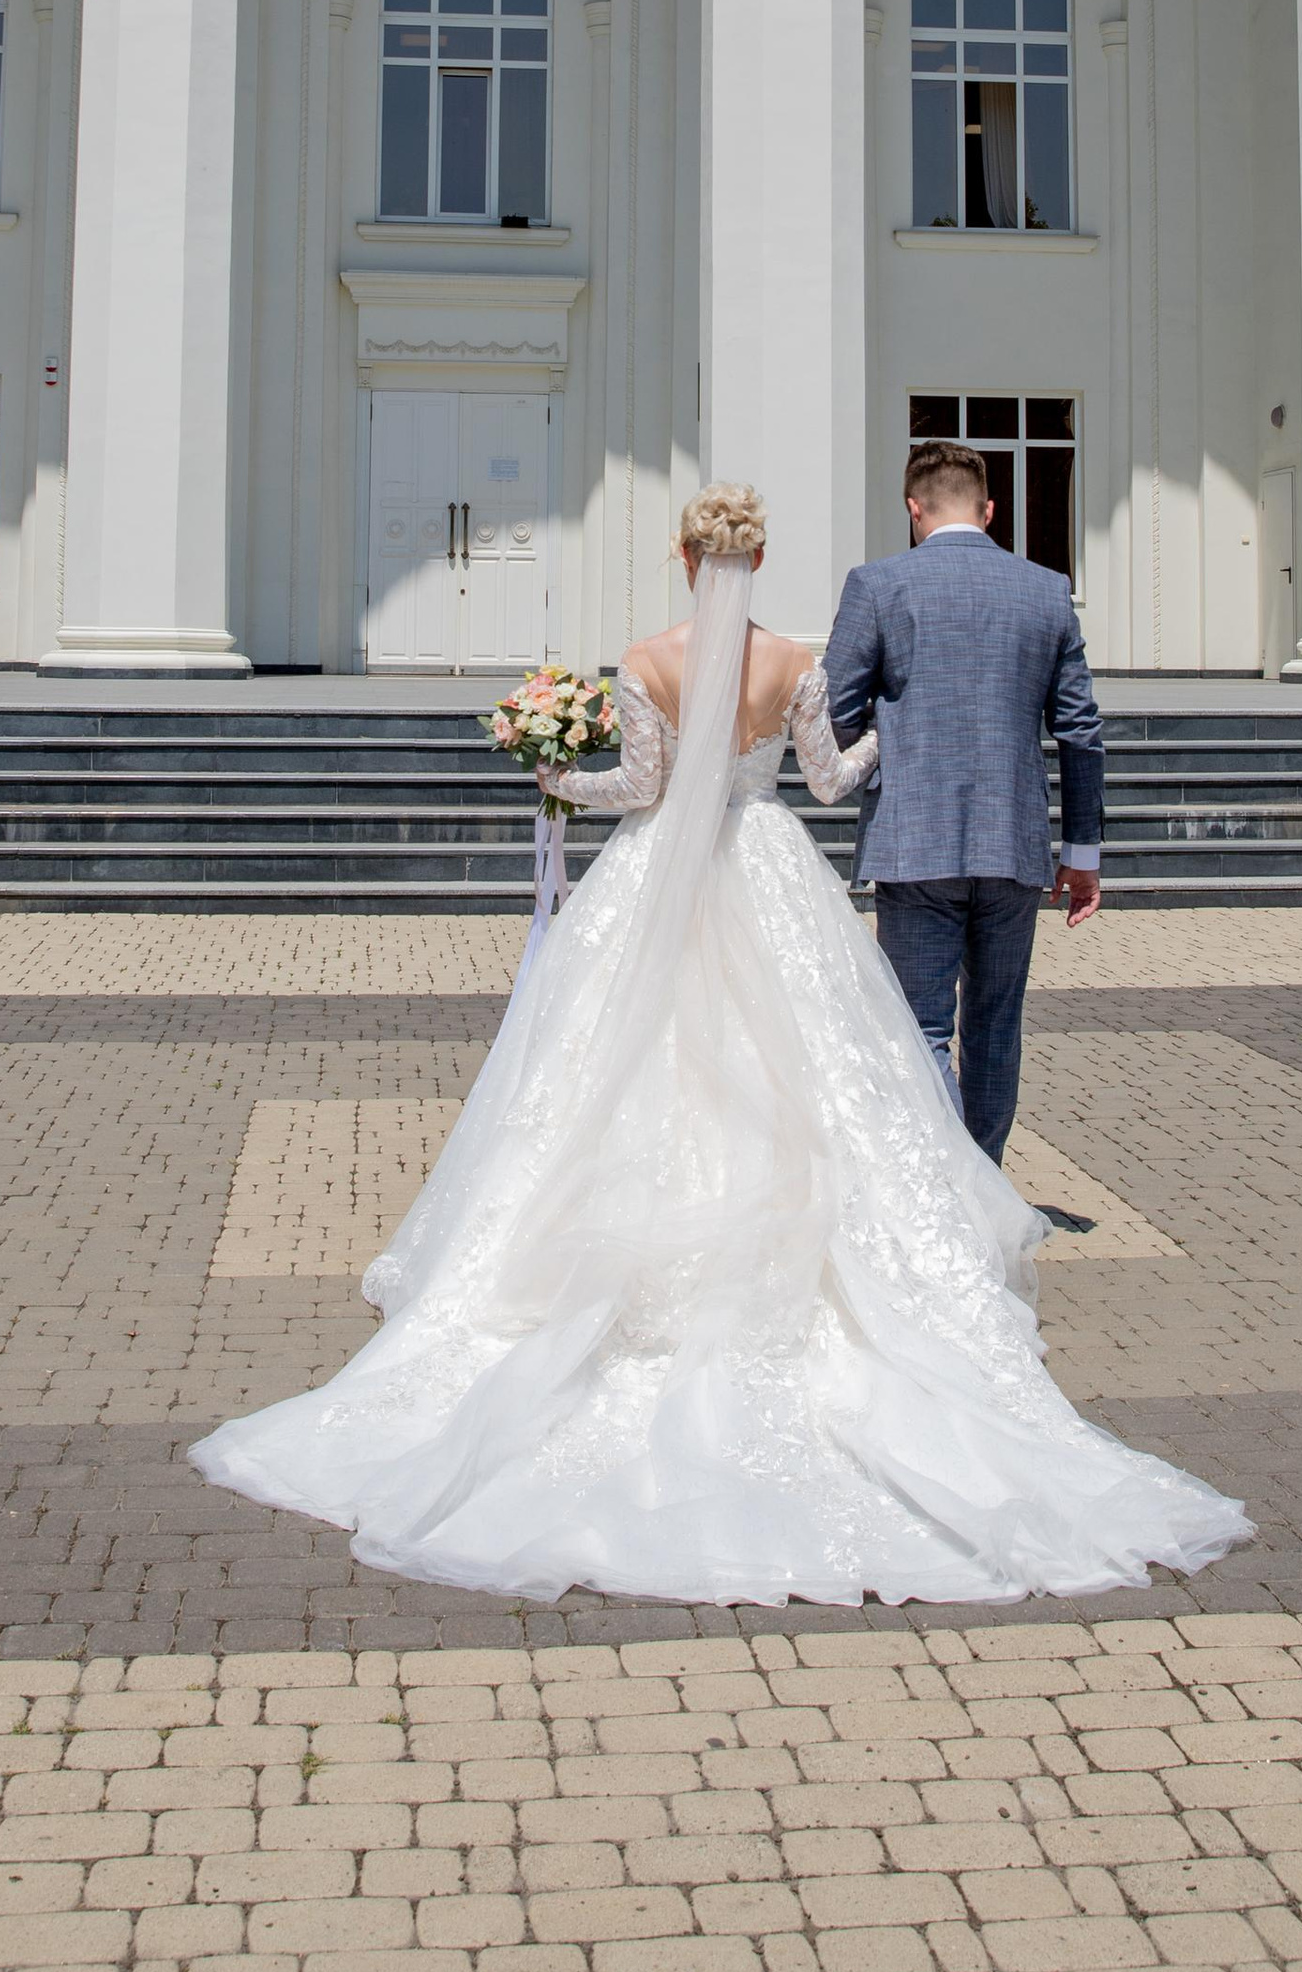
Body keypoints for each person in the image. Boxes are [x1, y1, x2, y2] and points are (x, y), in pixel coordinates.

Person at [189, 484, 1247, 1609]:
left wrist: (554, 776)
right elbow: (833, 780)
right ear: (757, 553)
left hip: (660, 881)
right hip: (771, 866)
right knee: (830, 1069)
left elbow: (641, 790)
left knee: (615, 1068)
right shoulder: (791, 660)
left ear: (683, 554)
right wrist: (897, 725)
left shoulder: (644, 659)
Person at [826, 437, 1104, 1184]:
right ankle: (985, 1186)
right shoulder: (1046, 589)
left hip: (914, 839)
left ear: (913, 509)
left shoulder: (877, 585)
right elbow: (1080, 730)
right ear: (987, 509)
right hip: (1015, 842)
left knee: (919, 1027)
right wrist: (1082, 855)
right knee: (994, 1025)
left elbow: (836, 713)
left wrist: (895, 744)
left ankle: (949, 1196)